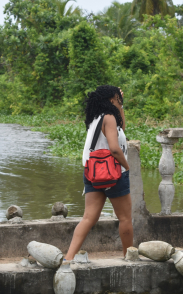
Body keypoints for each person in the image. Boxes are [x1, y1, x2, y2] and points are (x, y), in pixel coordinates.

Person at [65, 85, 133, 260]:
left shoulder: (96, 118)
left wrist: (120, 106)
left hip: (93, 173)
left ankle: (68, 258)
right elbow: (115, 149)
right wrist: (127, 166)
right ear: (111, 98)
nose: (120, 99)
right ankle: (129, 258)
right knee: (125, 219)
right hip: (113, 173)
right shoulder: (109, 118)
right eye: (118, 97)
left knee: (88, 218)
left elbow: (121, 129)